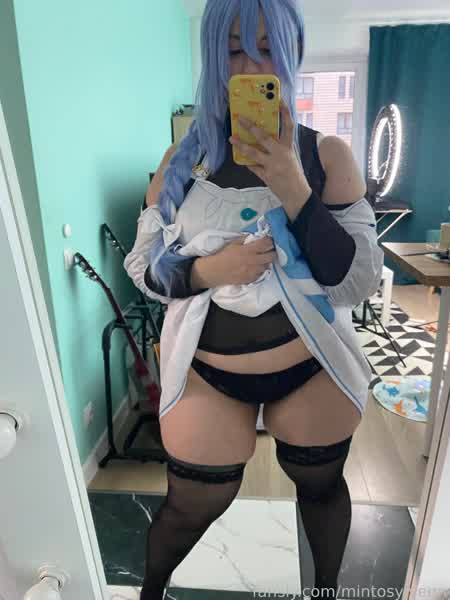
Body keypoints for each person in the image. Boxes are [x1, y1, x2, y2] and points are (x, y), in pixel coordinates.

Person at [124, 1, 384, 599]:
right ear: (212, 57)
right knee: (190, 504)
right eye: (233, 49)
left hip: (310, 369)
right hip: (207, 374)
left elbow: (354, 283)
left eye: (266, 49)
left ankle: (326, 591)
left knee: (320, 487)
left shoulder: (327, 156)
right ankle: (149, 593)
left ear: (292, 55)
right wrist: (208, 270)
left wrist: (292, 185)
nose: (248, 67)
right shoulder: (181, 163)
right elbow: (143, 269)